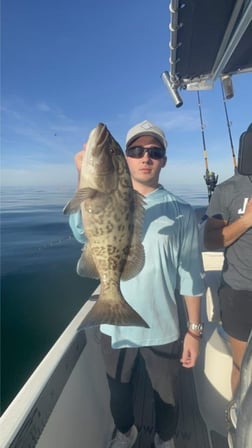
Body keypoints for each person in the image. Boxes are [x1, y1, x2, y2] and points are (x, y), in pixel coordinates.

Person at [69, 120, 205, 448]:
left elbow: (191, 275)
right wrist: (83, 176)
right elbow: (79, 232)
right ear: (125, 159)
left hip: (164, 326)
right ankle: (125, 432)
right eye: (136, 150)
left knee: (168, 397)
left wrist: (195, 331)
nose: (146, 157)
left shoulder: (183, 212)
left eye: (154, 152)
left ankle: (166, 438)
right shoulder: (98, 193)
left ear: (163, 160)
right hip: (115, 327)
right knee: (119, 392)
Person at [204, 136, 252, 399]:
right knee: (243, 366)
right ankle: (238, 418)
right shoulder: (228, 190)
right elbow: (210, 240)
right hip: (240, 293)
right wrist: (246, 221)